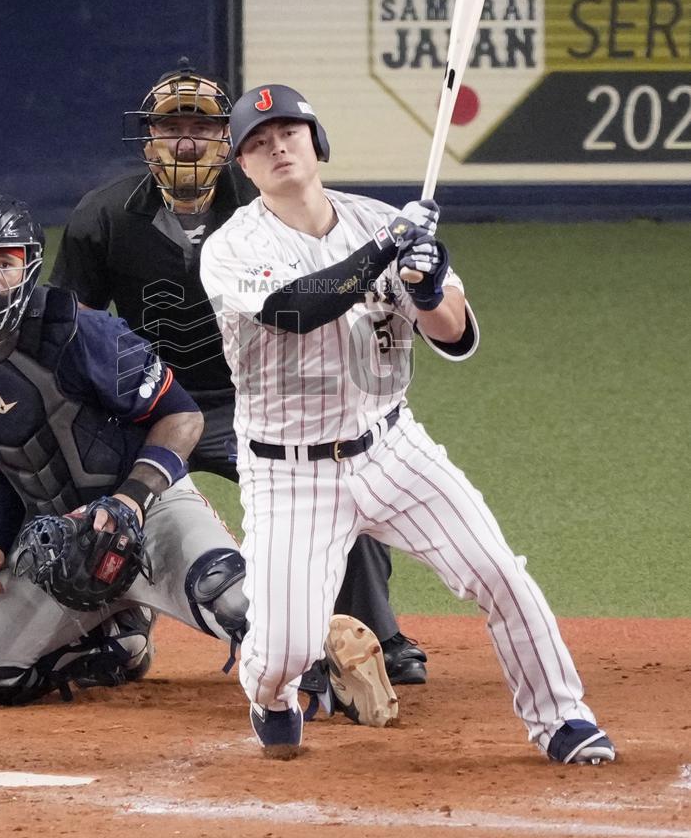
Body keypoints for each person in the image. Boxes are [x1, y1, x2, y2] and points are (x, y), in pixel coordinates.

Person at [199, 83, 617, 764]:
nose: (277, 147)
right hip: (288, 472)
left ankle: (562, 719)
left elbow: (455, 336)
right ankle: (269, 696)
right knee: (286, 654)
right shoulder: (232, 247)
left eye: (289, 132)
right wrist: (386, 250)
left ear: (316, 141)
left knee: (500, 575)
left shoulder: (383, 222)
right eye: (256, 142)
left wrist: (425, 288)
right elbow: (294, 308)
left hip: (393, 448)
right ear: (243, 167)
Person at [48, 60, 428, 689]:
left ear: (228, 142)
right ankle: (111, 626)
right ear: (148, 140)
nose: (187, 140)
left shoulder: (263, 205)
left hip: (251, 402)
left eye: (203, 127)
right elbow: (75, 328)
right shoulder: (104, 215)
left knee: (337, 477)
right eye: (171, 127)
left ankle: (376, 633)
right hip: (147, 407)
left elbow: (322, 293)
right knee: (88, 493)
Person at [0, 192, 248, 705]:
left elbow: (182, 416)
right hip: (59, 543)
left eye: (3, 263)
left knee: (234, 605)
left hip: (149, 511)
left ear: (28, 266)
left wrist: (130, 500)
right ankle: (114, 636)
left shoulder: (81, 328)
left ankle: (329, 646)